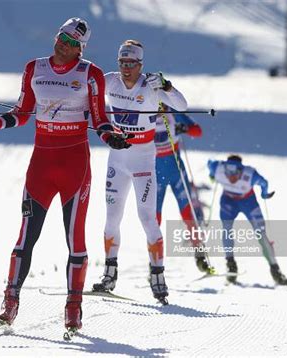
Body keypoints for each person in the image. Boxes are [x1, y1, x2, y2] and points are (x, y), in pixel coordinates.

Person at [0, 18, 130, 331]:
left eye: (74, 43)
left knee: (74, 240)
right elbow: (20, 114)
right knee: (25, 237)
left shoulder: (91, 74)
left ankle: (73, 309)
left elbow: (101, 120)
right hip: (41, 165)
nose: (66, 46)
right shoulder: (35, 68)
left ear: (81, 49)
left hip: (75, 165)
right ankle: (9, 303)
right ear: (57, 36)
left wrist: (111, 136)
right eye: (63, 38)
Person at [92, 40, 188, 303]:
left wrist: (168, 86)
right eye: (122, 63)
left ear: (140, 65)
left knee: (147, 218)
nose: (126, 68)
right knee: (112, 217)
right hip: (117, 159)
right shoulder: (110, 81)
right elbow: (86, 93)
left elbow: (182, 106)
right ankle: (109, 274)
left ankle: (157, 277)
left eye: (131, 64)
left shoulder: (151, 85)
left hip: (144, 160)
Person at [207, 155, 287, 285]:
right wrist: (211, 175)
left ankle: (275, 269)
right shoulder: (218, 168)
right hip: (228, 200)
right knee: (226, 229)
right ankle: (231, 264)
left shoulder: (250, 175)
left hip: (248, 201)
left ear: (241, 170)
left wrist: (264, 193)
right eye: (228, 172)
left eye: (235, 173)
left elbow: (264, 182)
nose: (231, 176)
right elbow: (210, 163)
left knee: (261, 233)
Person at [154, 104, 211, 272]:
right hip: (154, 172)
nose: (159, 107)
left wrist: (183, 128)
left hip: (176, 170)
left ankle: (200, 255)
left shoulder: (174, 113)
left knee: (188, 212)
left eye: (162, 102)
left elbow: (198, 131)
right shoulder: (144, 111)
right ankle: (155, 264)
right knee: (154, 218)